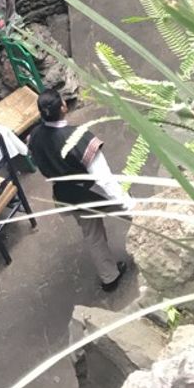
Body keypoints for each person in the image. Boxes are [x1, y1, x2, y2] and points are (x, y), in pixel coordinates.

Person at [28, 90, 132, 292]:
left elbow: (37, 162)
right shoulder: (77, 137)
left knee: (93, 235)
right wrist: (125, 201)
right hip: (93, 192)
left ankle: (109, 277)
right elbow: (104, 178)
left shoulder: (35, 137)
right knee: (134, 215)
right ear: (63, 107)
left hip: (67, 195)